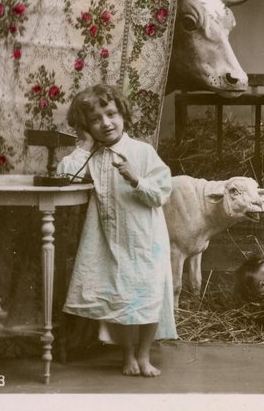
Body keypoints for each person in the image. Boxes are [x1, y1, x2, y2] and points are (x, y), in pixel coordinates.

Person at [58, 84, 176, 377]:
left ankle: (144, 354)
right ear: (87, 126)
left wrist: (136, 179)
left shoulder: (142, 151)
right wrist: (84, 145)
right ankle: (127, 354)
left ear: (122, 114)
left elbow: (162, 192)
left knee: (148, 295)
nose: (106, 123)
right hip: (110, 239)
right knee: (120, 296)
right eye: (95, 120)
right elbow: (65, 176)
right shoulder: (94, 156)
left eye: (111, 114)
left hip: (145, 238)